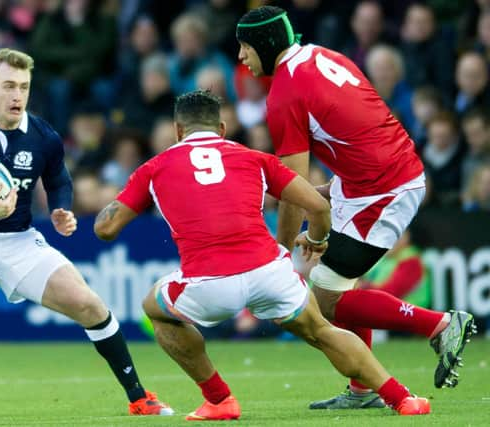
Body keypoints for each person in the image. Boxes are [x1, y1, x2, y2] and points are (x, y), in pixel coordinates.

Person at [94, 90, 430, 420]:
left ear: (178, 131)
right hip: (269, 271)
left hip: (209, 282)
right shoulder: (254, 158)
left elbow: (105, 229)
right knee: (322, 331)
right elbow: (316, 205)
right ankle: (402, 399)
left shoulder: (154, 168)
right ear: (222, 129)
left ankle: (219, 398)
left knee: (155, 308)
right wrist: (317, 238)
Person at [0, 48, 172, 424]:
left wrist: (62, 208)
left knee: (90, 305)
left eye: (24, 87)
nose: (17, 96)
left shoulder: (43, 135)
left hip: (19, 240)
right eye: (9, 86)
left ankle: (139, 397)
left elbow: (59, 179)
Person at [236, 6, 476, 409]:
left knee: (326, 294)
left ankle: (441, 325)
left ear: (264, 42)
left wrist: (281, 255)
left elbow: (291, 186)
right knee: (336, 285)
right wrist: (329, 196)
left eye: (244, 46)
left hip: (383, 189)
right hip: (367, 180)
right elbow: (358, 126)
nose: (241, 58)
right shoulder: (323, 55)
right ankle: (364, 391)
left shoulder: (284, 94)